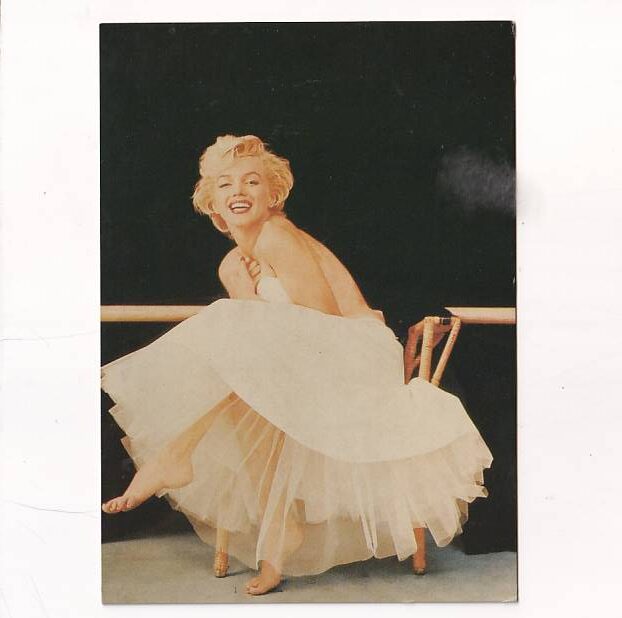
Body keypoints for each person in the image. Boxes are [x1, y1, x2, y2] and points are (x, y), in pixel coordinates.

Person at [101, 134, 493, 595]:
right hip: (302, 362)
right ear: (213, 207)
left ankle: (175, 456)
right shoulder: (231, 264)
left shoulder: (277, 236)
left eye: (252, 181)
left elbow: (322, 321)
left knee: (230, 328)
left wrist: (252, 307)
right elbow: (261, 342)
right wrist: (249, 305)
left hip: (355, 352)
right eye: (225, 185)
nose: (238, 191)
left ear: (273, 195)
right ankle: (278, 531)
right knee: (246, 392)